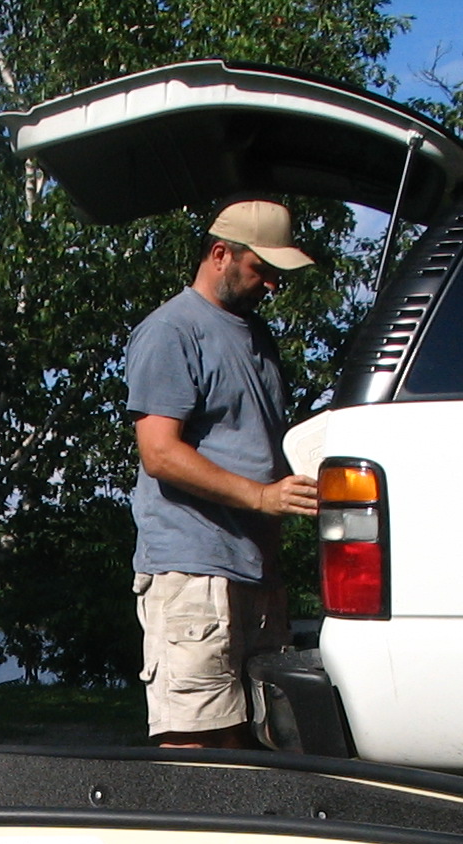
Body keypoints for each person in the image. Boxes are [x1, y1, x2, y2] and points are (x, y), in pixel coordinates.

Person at [126, 198, 324, 748]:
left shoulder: (258, 338)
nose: (273, 287)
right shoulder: (171, 330)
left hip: (255, 570)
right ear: (221, 255)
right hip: (193, 570)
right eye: (264, 271)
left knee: (258, 739)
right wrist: (262, 499)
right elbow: (159, 453)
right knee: (195, 743)